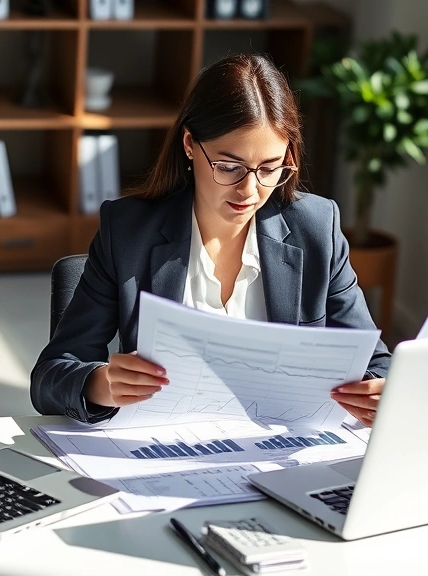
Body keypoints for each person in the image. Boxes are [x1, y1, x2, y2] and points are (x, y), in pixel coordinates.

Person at [30, 54, 391, 428]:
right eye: (230, 167)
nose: (249, 190)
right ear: (189, 144)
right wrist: (99, 384)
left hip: (277, 452)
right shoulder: (127, 233)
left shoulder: (317, 229)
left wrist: (378, 391)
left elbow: (377, 363)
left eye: (269, 168)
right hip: (161, 447)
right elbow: (50, 377)